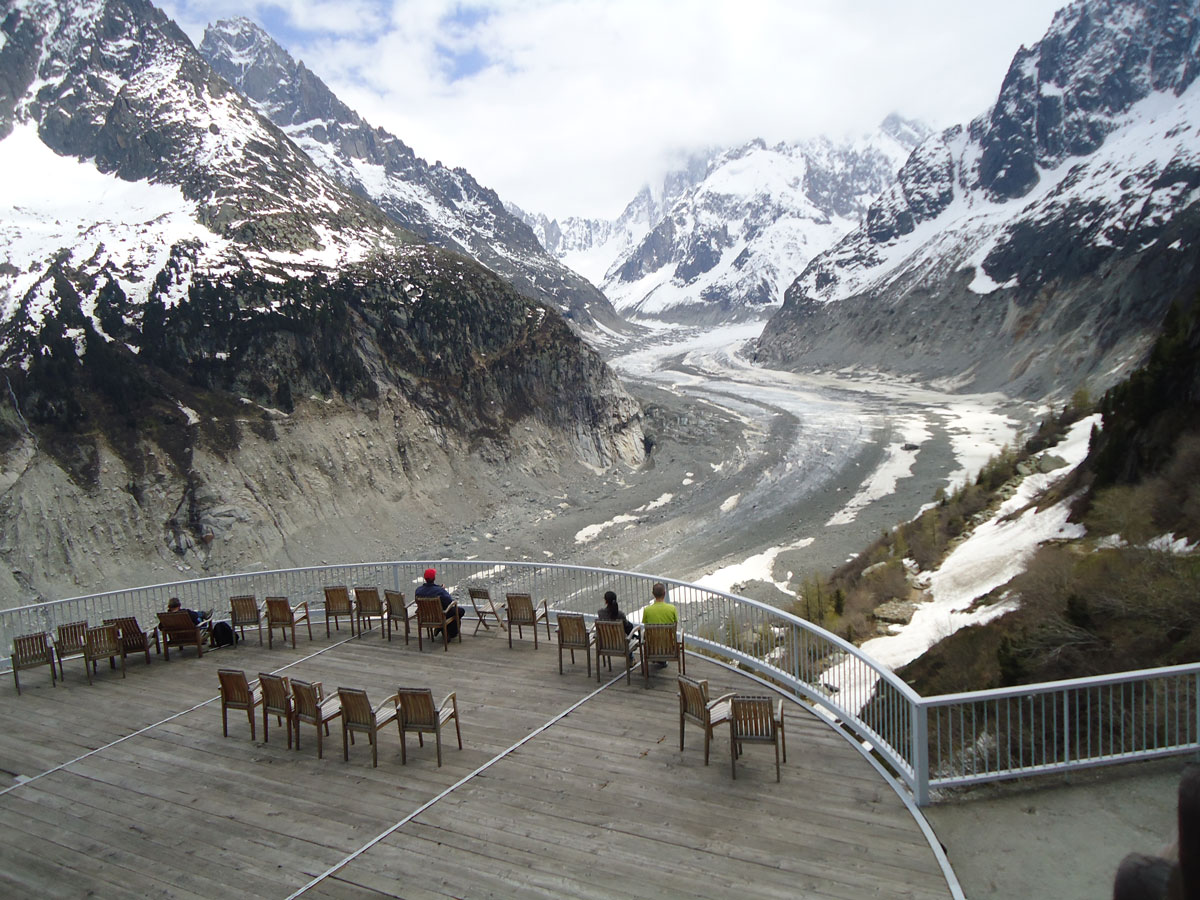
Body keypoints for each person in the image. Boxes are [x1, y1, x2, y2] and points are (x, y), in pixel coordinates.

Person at [415, 568, 465, 638]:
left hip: (426, 616)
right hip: (440, 615)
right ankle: (446, 630)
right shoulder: (439, 591)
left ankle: (441, 628)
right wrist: (442, 590)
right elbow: (449, 601)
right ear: (434, 578)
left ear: (425, 578)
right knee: (460, 611)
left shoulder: (418, 591)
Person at [641, 582, 678, 667]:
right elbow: (675, 626)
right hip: (668, 645)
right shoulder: (672, 609)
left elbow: (646, 626)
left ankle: (655, 658)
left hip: (653, 645)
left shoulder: (647, 610)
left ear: (653, 594)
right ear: (664, 593)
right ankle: (662, 660)